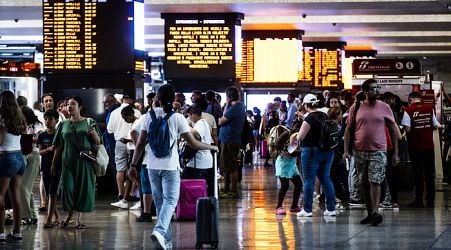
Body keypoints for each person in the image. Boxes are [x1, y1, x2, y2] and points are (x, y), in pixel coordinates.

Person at [128, 84, 218, 250]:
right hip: (170, 167)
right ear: (173, 100)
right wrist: (211, 147)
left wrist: (133, 165)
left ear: (157, 99)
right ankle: (160, 230)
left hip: (152, 166)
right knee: (171, 201)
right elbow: (194, 143)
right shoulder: (177, 118)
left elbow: (140, 143)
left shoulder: (148, 116)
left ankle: (166, 242)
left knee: (161, 202)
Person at [343, 79, 400, 226]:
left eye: (377, 88)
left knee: (375, 180)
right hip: (359, 150)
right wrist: (345, 151)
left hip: (379, 150)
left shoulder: (385, 107)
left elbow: (393, 129)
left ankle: (375, 212)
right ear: (366, 92)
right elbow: (348, 130)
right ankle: (370, 213)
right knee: (364, 183)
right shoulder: (355, 108)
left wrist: (395, 152)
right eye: (373, 88)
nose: (377, 91)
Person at [51, 96, 102, 229]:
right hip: (67, 162)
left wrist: (93, 134)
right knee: (67, 190)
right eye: (68, 104)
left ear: (80, 107)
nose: (69, 106)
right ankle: (68, 216)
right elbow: (59, 146)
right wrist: (54, 163)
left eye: (73, 104)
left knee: (82, 189)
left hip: (84, 162)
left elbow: (98, 142)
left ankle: (78, 219)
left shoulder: (90, 122)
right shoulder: (63, 124)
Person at [295, 94, 336, 218]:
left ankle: (307, 210)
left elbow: (300, 137)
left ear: (306, 105)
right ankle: (331, 208)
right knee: (325, 179)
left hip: (311, 152)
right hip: (327, 151)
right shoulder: (324, 115)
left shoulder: (309, 119)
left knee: (309, 181)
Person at [402, 91, 438, 208]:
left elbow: (407, 129)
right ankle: (430, 201)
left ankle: (418, 200)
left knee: (418, 175)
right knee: (429, 174)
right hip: (429, 147)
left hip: (415, 147)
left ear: (410, 100)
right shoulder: (429, 108)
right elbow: (435, 125)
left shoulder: (408, 110)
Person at [0, 90, 27, 243]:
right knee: (15, 195)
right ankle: (17, 232)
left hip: (6, 157)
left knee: (0, 196)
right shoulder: (20, 118)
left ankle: (1, 233)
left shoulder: (1, 119)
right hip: (19, 157)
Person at [107, 94, 141, 206]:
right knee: (132, 173)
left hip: (123, 143)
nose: (125, 121)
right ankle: (129, 195)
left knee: (121, 169)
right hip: (132, 145)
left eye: (125, 118)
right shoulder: (138, 113)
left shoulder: (114, 113)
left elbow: (109, 130)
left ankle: (121, 194)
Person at [218, 86, 246, 199]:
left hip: (230, 140)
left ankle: (233, 190)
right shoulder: (236, 107)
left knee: (232, 166)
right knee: (226, 166)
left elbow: (221, 121)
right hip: (228, 139)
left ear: (229, 97)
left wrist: (226, 105)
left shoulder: (236, 108)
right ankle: (226, 189)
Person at [19, 106, 44, 225]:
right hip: (23, 155)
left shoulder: (37, 125)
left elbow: (40, 139)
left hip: (34, 156)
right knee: (27, 187)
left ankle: (26, 215)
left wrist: (30, 138)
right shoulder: (21, 126)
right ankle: (33, 215)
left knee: (23, 187)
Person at [183, 105, 215, 196]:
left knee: (188, 184)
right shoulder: (204, 123)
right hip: (204, 161)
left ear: (193, 115)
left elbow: (197, 135)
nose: (190, 118)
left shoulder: (200, 123)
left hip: (198, 162)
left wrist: (186, 127)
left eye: (190, 116)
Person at [37, 110, 61, 228]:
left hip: (56, 166)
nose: (47, 121)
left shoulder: (59, 134)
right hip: (45, 166)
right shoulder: (42, 135)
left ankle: (49, 219)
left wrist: (54, 162)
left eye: (50, 119)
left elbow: (60, 150)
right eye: (46, 119)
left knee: (52, 193)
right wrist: (48, 149)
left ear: (56, 121)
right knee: (48, 193)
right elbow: (40, 152)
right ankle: (56, 216)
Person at [274, 129, 302, 215]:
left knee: (299, 184)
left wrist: (296, 154)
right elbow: (277, 144)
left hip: (292, 164)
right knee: (285, 185)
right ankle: (278, 207)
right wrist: (284, 150)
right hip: (283, 163)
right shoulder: (287, 134)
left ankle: (294, 206)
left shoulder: (303, 136)